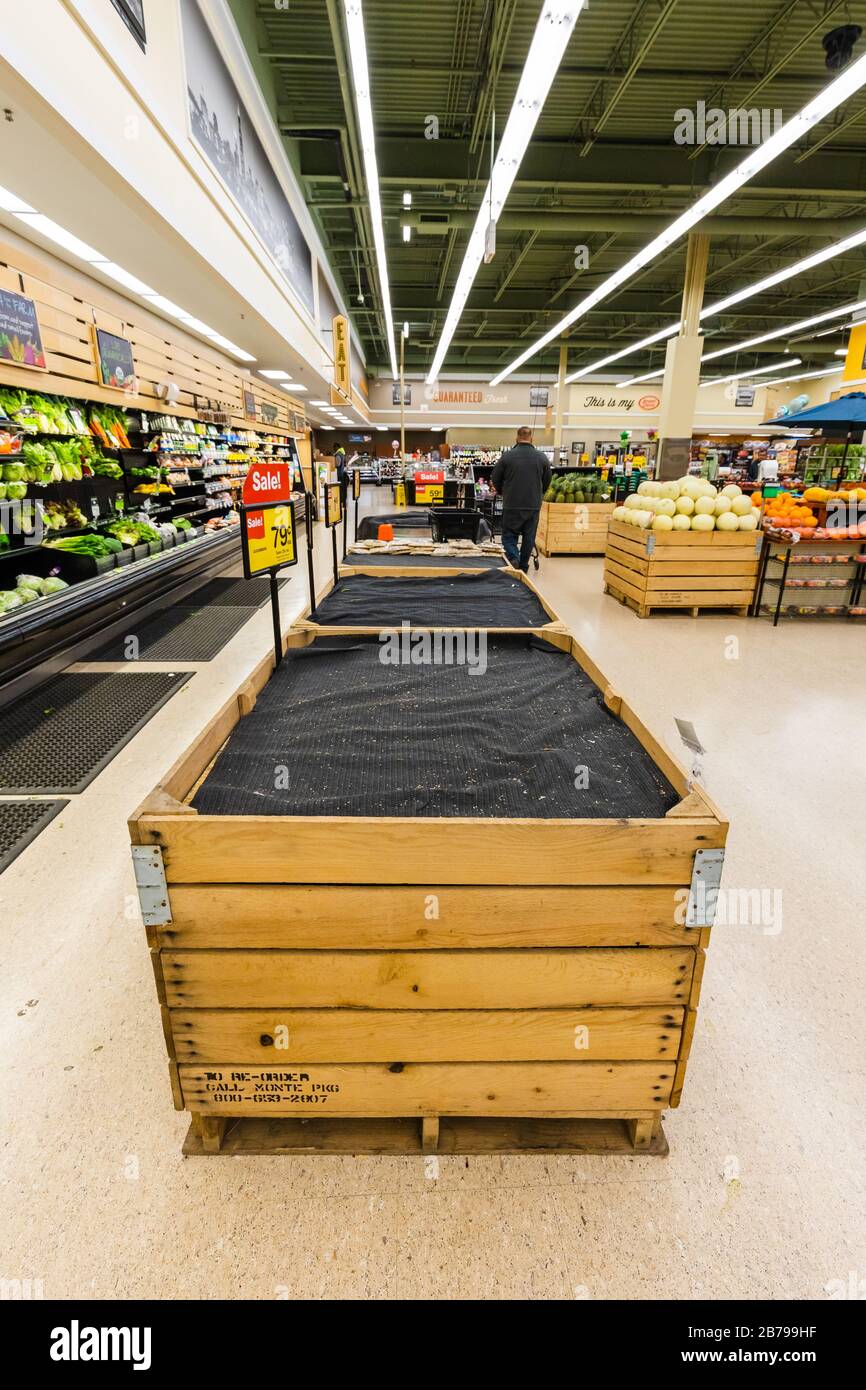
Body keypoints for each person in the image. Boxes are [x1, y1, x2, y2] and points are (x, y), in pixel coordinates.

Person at [490, 426, 551, 571]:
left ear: (517, 438)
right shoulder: (542, 457)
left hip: (512, 504)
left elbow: (495, 477)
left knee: (509, 535)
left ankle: (514, 557)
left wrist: (501, 491)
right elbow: (547, 480)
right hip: (533, 505)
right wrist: (538, 493)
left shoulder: (507, 456)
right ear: (531, 438)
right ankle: (523, 565)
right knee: (529, 537)